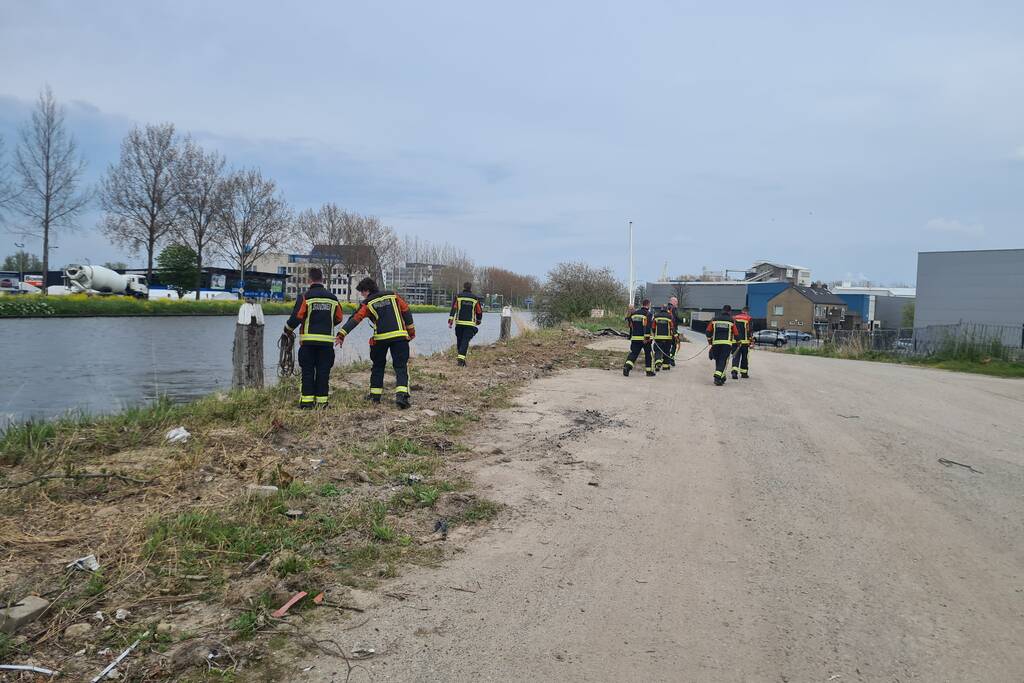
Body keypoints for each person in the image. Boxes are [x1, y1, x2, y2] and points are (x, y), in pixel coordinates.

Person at [335, 277, 416, 408]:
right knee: (400, 367)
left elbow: (356, 319)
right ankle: (402, 397)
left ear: (367, 290)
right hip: (399, 337)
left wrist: (342, 334)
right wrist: (411, 332)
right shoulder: (393, 295)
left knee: (378, 366)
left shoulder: (368, 303)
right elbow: (406, 311)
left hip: (380, 339)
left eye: (362, 292)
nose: (362, 295)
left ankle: (375, 397)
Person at [283, 267, 344, 409]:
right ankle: (322, 403)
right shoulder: (333, 299)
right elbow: (339, 318)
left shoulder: (305, 297)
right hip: (326, 344)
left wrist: (287, 331)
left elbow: (296, 318)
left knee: (308, 372)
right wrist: (328, 323)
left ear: (309, 280)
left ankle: (306, 403)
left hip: (308, 343)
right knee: (323, 372)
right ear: (322, 279)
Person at [448, 282, 483, 366]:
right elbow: (479, 311)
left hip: (459, 323)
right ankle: (461, 360)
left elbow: (453, 308)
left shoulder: (458, 296)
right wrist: (478, 320)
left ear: (463, 287)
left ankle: (461, 360)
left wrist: (450, 321)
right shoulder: (475, 298)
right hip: (469, 324)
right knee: (465, 341)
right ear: (470, 288)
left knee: (459, 341)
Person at [706, 305, 739, 386]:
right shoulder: (731, 321)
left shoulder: (714, 319)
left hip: (716, 343)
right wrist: (738, 341)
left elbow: (708, 331)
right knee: (723, 359)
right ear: (729, 311)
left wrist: (710, 341)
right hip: (726, 344)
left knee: (718, 359)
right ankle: (717, 377)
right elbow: (736, 333)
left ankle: (722, 377)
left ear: (722, 310)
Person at [623, 299, 655, 377]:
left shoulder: (634, 314)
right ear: (648, 305)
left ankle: (627, 367)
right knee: (648, 354)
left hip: (635, 338)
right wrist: (647, 338)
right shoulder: (648, 314)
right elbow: (648, 327)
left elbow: (631, 325)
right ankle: (649, 371)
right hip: (644, 339)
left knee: (633, 353)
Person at [731, 305, 753, 379]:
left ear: (742, 310)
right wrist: (751, 340)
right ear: (747, 311)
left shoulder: (734, 318)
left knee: (735, 356)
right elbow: (749, 330)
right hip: (744, 342)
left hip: (735, 341)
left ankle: (734, 372)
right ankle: (744, 373)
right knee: (744, 357)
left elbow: (732, 329)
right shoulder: (748, 318)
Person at [652, 306, 676, 371]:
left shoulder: (656, 316)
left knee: (657, 350)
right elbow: (672, 327)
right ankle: (665, 366)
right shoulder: (670, 316)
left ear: (661, 309)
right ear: (666, 310)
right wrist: (675, 335)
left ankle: (658, 362)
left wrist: (654, 333)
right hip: (668, 338)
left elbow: (653, 327)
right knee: (666, 351)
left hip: (658, 337)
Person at [667, 296, 682, 363]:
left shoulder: (665, 308)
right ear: (672, 301)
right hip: (672, 330)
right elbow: (675, 319)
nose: (677, 303)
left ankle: (665, 358)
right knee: (674, 344)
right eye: (676, 302)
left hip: (664, 330)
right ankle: (671, 358)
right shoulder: (673, 309)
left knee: (667, 345)